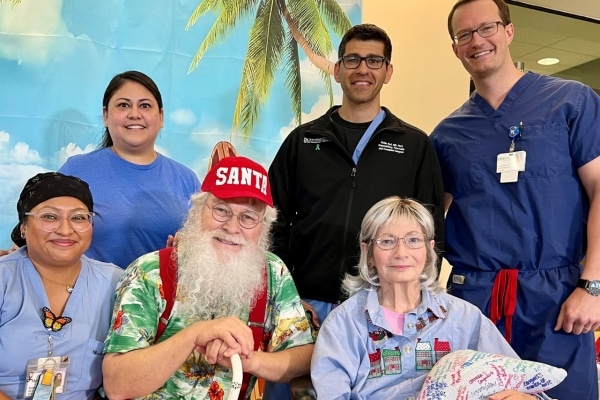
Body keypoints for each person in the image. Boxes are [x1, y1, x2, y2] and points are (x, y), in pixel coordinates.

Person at [429, 0, 600, 398]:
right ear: (456, 49)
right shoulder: (447, 135)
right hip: (474, 301)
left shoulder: (571, 102)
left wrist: (592, 286)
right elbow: (428, 224)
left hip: (556, 299)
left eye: (486, 28)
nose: (477, 41)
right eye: (464, 35)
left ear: (508, 32)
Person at [268, 23, 445, 326]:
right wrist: (285, 295)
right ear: (337, 70)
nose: (363, 69)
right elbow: (274, 221)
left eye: (374, 60)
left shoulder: (414, 145)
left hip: (383, 305)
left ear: (388, 72)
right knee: (298, 375)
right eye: (352, 60)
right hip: (307, 302)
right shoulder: (303, 140)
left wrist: (414, 300)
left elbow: (430, 231)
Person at [102, 156, 314, 400]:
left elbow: (304, 357)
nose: (232, 227)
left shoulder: (273, 273)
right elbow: (117, 384)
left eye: (248, 217)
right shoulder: (149, 272)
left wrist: (248, 359)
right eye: (221, 210)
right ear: (197, 211)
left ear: (263, 226)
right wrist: (194, 335)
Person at [310, 197, 547, 399]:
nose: (401, 253)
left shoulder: (464, 317)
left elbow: (522, 381)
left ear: (429, 250)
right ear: (368, 253)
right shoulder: (343, 324)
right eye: (387, 241)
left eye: (413, 240)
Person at [58, 70, 200, 269]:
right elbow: (44, 230)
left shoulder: (187, 180)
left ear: (161, 117)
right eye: (124, 105)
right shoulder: (75, 170)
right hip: (88, 298)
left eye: (145, 106)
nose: (135, 114)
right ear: (106, 115)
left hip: (158, 299)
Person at [0, 172, 123, 399]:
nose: (65, 230)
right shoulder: (4, 279)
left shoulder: (117, 283)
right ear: (23, 227)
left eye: (78, 218)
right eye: (49, 217)